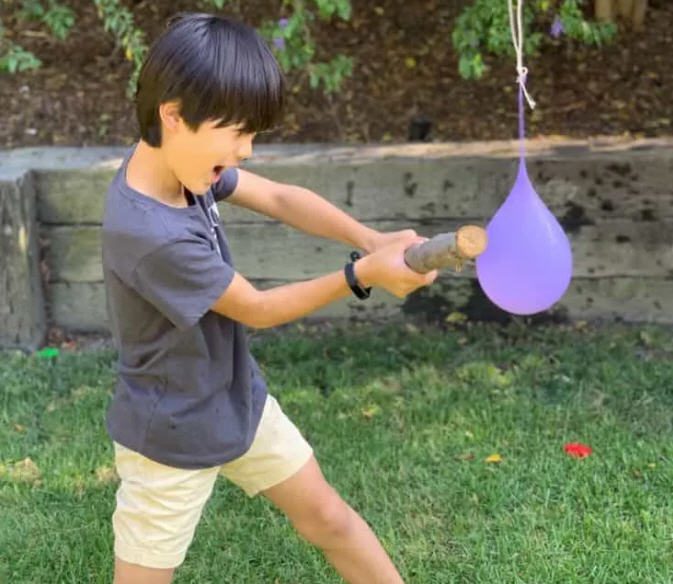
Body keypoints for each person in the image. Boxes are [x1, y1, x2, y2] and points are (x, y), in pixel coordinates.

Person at [101, 12, 437, 584]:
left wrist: (371, 240)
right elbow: (256, 308)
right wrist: (363, 274)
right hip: (172, 433)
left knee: (329, 517)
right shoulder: (148, 232)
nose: (248, 150)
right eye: (237, 133)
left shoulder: (182, 166)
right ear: (174, 116)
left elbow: (280, 198)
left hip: (236, 400)